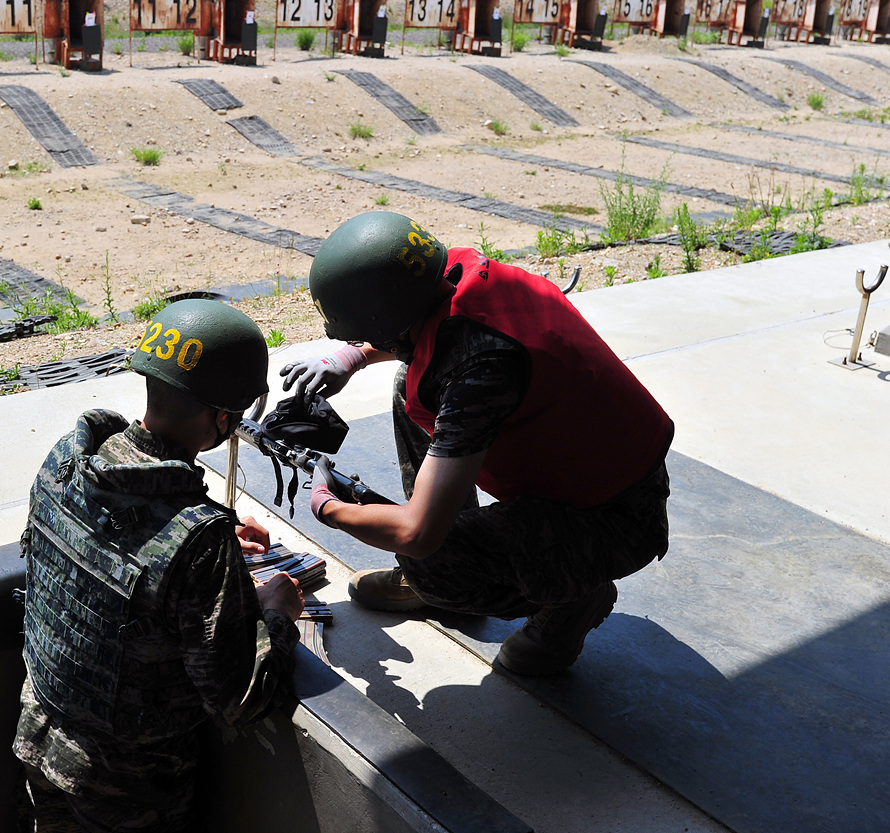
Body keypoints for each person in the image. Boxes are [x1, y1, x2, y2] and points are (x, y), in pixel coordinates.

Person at [282, 211, 673, 676]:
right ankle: (476, 549)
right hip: (588, 479)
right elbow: (428, 326)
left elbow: (415, 533)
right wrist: (353, 357)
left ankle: (572, 597)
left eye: (366, 333)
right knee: (414, 381)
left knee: (429, 559)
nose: (365, 340)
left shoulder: (481, 372)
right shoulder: (451, 274)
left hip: (614, 520)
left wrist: (329, 507)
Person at [14, 299, 304, 832]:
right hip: (129, 792)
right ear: (222, 418)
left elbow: (97, 548)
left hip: (40, 742)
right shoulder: (199, 540)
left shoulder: (67, 460)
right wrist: (276, 609)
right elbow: (242, 697)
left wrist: (205, 559)